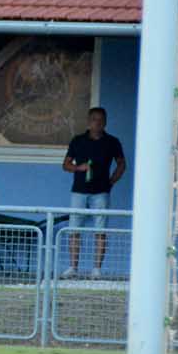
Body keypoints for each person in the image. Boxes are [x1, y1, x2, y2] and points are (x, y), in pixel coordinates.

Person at [61, 106, 127, 279]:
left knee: (100, 230)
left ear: (105, 122)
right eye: (94, 119)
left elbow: (122, 164)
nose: (97, 123)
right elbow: (65, 165)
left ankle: (96, 269)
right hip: (79, 191)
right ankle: (73, 268)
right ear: (88, 122)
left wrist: (111, 181)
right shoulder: (78, 140)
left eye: (101, 120)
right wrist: (78, 167)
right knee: (75, 229)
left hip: (101, 192)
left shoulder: (112, 141)